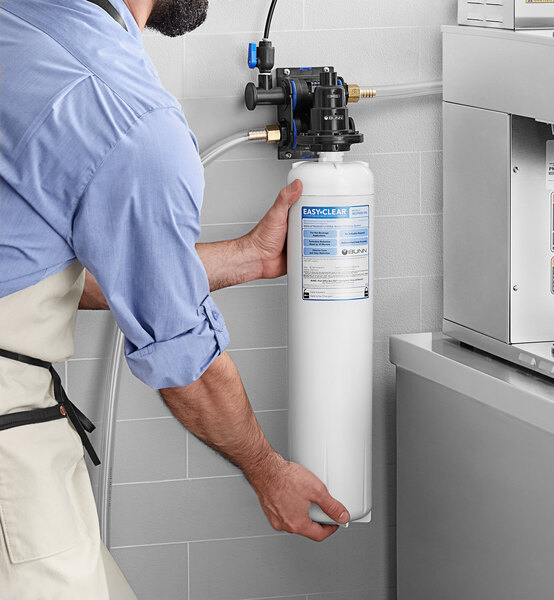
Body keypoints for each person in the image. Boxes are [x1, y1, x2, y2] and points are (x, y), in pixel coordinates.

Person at [0, 0, 349, 597]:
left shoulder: (21, 27)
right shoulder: (125, 117)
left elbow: (32, 273)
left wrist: (244, 258)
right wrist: (269, 472)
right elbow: (188, 371)